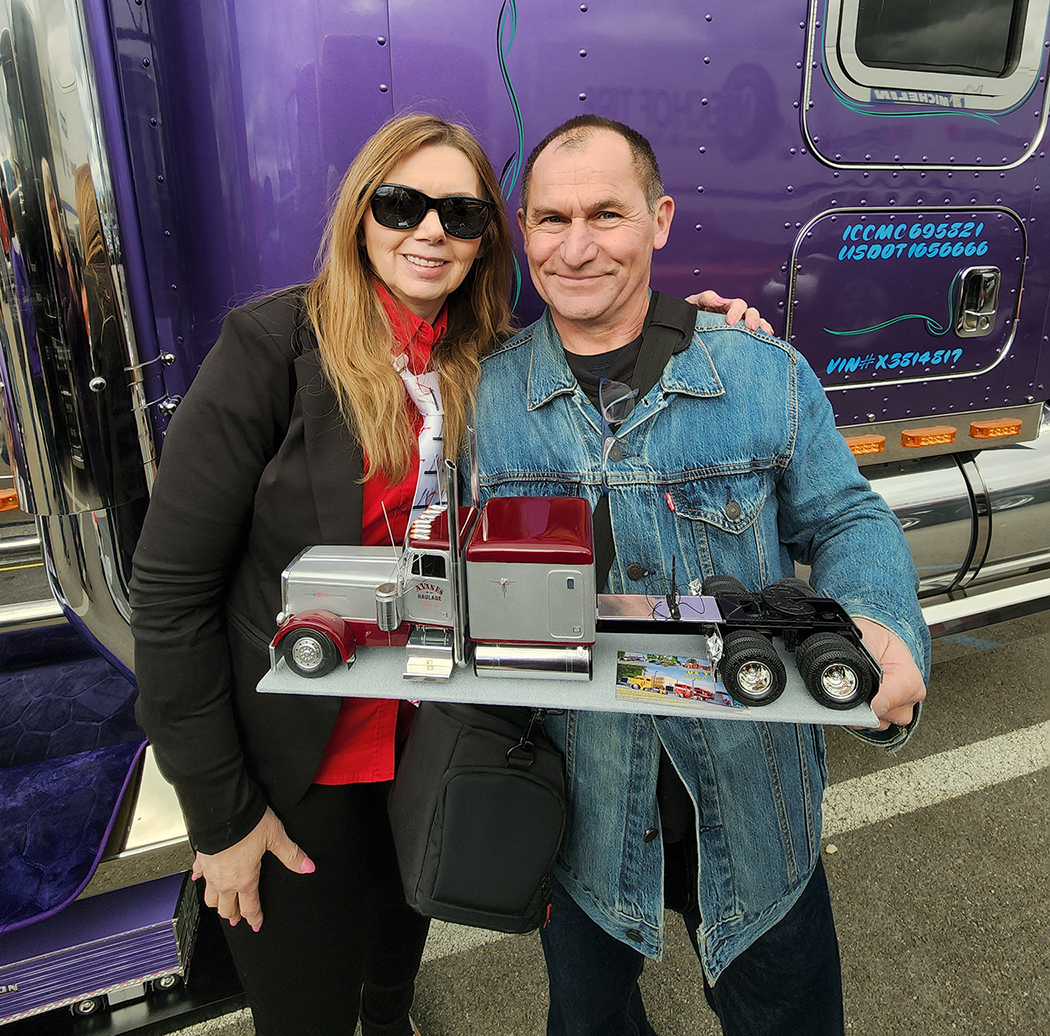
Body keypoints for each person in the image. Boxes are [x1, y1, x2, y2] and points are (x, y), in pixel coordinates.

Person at [129, 111, 760, 1036]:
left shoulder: (488, 358)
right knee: (305, 1010)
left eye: (461, 215)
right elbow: (169, 597)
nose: (431, 231)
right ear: (361, 214)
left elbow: (609, 367)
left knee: (396, 959)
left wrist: (701, 333)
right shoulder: (273, 348)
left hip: (434, 737)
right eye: (402, 205)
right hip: (301, 761)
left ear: (484, 240)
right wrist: (221, 818)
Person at [472, 114, 930, 1036]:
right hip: (583, 821)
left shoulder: (760, 372)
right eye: (553, 219)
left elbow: (845, 516)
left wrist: (880, 619)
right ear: (525, 232)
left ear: (661, 220)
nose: (576, 246)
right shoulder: (485, 397)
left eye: (607, 214)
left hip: (757, 815)